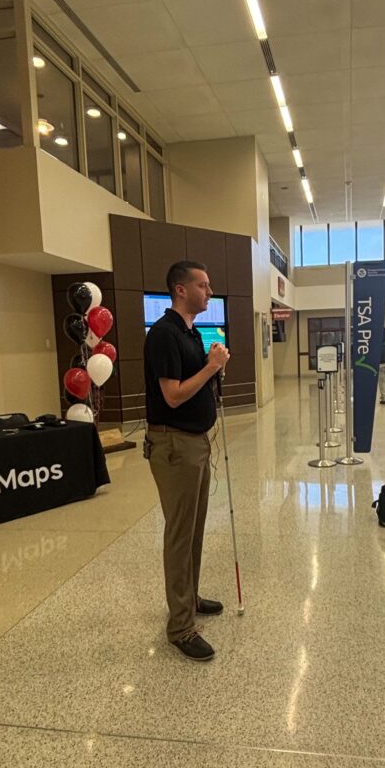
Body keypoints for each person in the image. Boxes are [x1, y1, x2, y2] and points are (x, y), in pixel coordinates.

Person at [143, 260, 230, 662]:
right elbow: (173, 395)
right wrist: (211, 366)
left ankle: (189, 598)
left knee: (194, 530)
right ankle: (180, 627)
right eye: (203, 284)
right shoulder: (163, 335)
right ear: (181, 289)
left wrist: (213, 367)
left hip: (196, 443)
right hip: (174, 447)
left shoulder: (190, 333)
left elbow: (195, 387)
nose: (209, 292)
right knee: (180, 534)